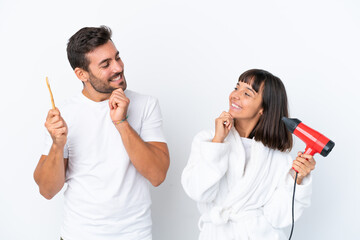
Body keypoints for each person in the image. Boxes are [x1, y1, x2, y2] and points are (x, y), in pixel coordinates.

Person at [34, 26, 170, 240]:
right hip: (78, 235)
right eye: (105, 64)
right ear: (81, 74)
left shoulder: (146, 105)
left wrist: (122, 123)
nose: (118, 67)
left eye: (117, 58)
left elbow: (157, 175)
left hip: (134, 235)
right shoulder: (63, 115)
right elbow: (47, 190)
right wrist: (57, 144)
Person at [181, 69, 316, 240]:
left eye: (247, 93)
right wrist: (217, 143)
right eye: (236, 88)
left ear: (263, 108)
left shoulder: (278, 159)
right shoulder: (207, 141)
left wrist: (297, 179)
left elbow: (279, 217)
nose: (235, 95)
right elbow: (197, 191)